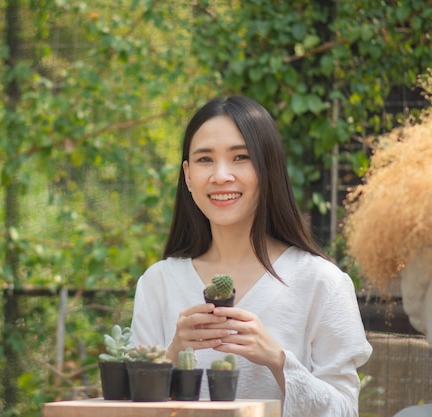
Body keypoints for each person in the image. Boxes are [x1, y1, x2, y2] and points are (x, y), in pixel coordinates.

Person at [130, 96, 372, 416]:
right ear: (187, 175)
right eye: (205, 160)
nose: (220, 175)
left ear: (268, 168)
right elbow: (126, 407)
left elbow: (344, 410)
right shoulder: (158, 283)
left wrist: (277, 360)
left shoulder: (322, 282)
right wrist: (173, 353)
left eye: (240, 157)